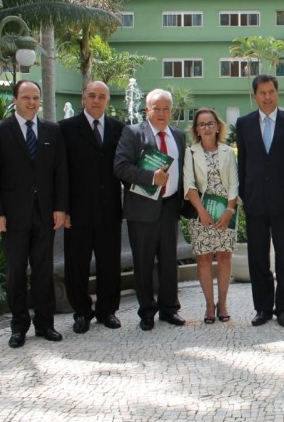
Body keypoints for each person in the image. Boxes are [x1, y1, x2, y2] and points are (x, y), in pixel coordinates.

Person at [0, 80, 68, 348]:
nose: (32, 102)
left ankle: (45, 324)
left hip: (44, 214)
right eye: (26, 97)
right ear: (15, 99)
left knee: (44, 270)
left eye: (36, 98)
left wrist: (60, 208)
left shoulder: (52, 130)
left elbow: (60, 172)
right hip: (13, 216)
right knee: (16, 272)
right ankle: (18, 326)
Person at [114, 88, 186, 331]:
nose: (162, 113)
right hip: (142, 210)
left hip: (169, 207)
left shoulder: (178, 135)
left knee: (169, 262)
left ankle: (169, 309)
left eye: (166, 108)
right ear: (147, 110)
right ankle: (146, 311)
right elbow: (120, 167)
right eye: (157, 108)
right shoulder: (133, 133)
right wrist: (150, 177)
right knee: (143, 263)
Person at [236, 74, 284, 327]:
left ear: (277, 93)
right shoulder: (243, 123)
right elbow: (242, 163)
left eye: (271, 92)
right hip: (255, 202)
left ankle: (283, 308)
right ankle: (262, 308)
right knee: (258, 257)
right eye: (262, 93)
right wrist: (245, 193)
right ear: (255, 96)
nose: (267, 97)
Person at [59, 81, 125, 334]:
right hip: (77, 211)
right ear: (83, 98)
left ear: (108, 101)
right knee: (77, 264)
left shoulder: (119, 129)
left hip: (109, 208)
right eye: (91, 96)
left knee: (110, 262)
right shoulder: (65, 129)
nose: (96, 100)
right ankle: (81, 312)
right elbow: (60, 172)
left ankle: (107, 311)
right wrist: (62, 209)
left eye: (101, 96)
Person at [183, 108, 239, 324]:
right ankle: (209, 305)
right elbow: (188, 184)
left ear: (217, 126)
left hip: (226, 212)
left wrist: (229, 211)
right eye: (201, 124)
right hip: (201, 213)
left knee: (225, 257)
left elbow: (234, 183)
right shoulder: (191, 152)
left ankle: (222, 303)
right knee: (204, 259)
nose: (206, 128)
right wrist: (201, 211)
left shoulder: (227, 152)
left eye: (210, 123)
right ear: (196, 129)